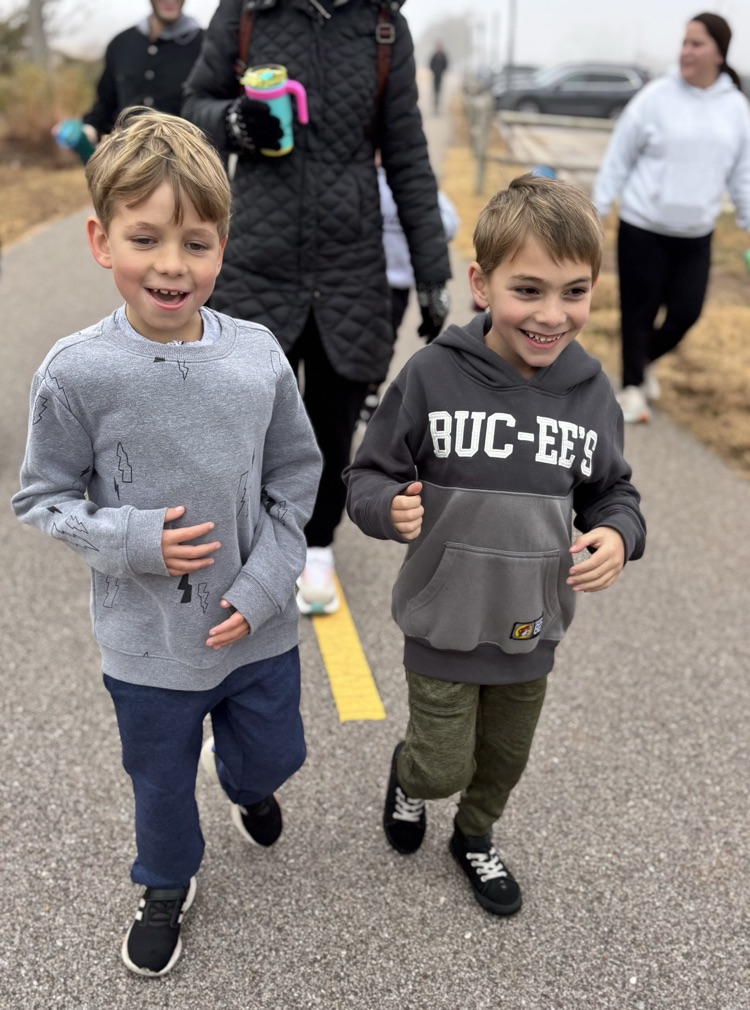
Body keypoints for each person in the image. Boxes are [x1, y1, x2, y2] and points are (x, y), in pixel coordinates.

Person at [11, 108, 321, 977]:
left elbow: (295, 480)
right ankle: (163, 883)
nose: (172, 266)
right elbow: (41, 497)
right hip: (147, 645)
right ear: (101, 240)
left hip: (255, 631)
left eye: (197, 242)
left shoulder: (257, 357)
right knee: (159, 785)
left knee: (271, 756)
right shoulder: (77, 373)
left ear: (224, 244)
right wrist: (132, 539)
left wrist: (267, 581)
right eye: (146, 238)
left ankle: (250, 783)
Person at [344, 174, 646, 916]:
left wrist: (616, 533)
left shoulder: (591, 392)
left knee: (503, 762)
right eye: (529, 290)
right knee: (444, 761)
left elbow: (615, 492)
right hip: (444, 620)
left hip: (531, 626)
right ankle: (411, 781)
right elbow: (366, 475)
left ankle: (474, 837)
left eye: (574, 292)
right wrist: (388, 507)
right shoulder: (432, 375)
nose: (552, 315)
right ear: (480, 283)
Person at [181, 0, 452, 617]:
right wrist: (233, 121)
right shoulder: (248, 12)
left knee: (333, 418)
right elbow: (192, 105)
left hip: (349, 263)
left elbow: (408, 155)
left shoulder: (384, 27)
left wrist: (432, 271)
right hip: (254, 256)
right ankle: (247, 538)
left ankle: (317, 543)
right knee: (244, 413)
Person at [593, 12, 750, 424]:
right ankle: (630, 389)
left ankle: (643, 361)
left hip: (696, 233)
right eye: (684, 42)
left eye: (697, 44)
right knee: (637, 312)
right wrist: (598, 209)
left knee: (686, 312)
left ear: (719, 53)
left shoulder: (735, 108)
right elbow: (618, 157)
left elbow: (743, 174)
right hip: (643, 226)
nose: (686, 51)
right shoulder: (655, 97)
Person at [357, 161, 459, 426]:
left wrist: (421, 223)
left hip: (398, 284)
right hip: (361, 279)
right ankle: (357, 389)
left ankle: (371, 389)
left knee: (386, 338)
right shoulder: (366, 181)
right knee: (356, 336)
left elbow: (449, 224)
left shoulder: (415, 185)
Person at [56, 0, 204, 148]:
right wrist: (85, 129)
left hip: (184, 162)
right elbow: (106, 104)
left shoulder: (205, 46)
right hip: (127, 161)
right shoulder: (121, 44)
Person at [429, 42, 449, 114]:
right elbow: (430, 64)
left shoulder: (443, 55)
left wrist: (442, 71)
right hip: (435, 76)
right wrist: (433, 71)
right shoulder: (434, 55)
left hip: (440, 75)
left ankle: (439, 108)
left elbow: (446, 64)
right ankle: (435, 107)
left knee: (439, 91)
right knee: (435, 92)